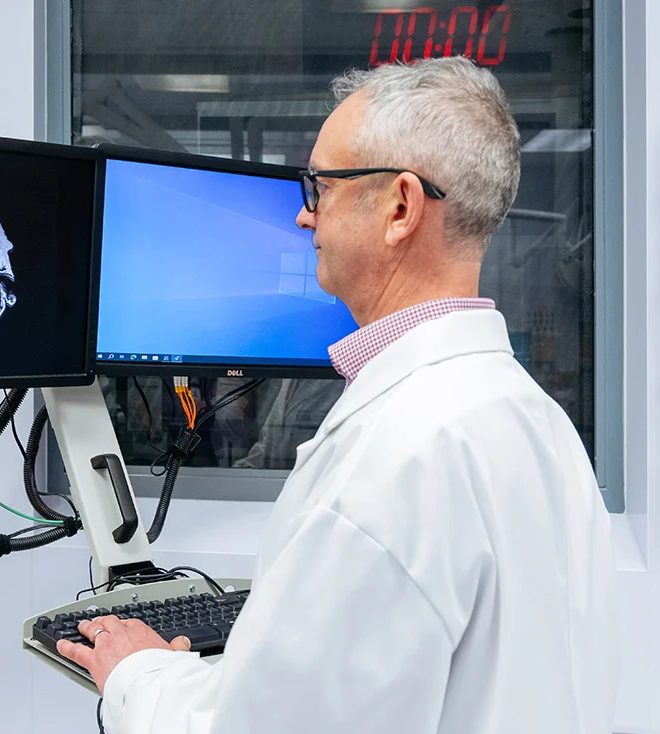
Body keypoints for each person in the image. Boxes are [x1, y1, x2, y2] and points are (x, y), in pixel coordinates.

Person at [59, 57, 618, 734]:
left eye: (317, 186)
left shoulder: (392, 455)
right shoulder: (535, 422)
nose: (300, 216)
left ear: (400, 207)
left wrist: (137, 674)